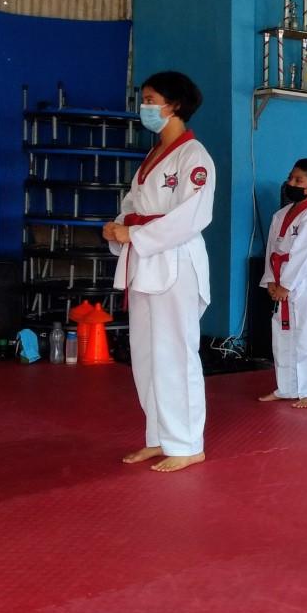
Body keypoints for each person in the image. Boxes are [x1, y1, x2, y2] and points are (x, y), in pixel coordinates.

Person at [104, 71, 214, 473]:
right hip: (146, 261)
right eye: (144, 98)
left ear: (175, 105)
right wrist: (120, 229)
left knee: (175, 354)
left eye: (151, 99)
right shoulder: (153, 157)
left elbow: (193, 216)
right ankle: (160, 437)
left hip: (175, 261)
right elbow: (133, 201)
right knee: (147, 355)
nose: (144, 106)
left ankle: (187, 443)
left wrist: (132, 233)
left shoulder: (194, 156)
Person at [259, 158, 307, 409]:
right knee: (282, 334)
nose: (291, 183)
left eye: (298, 180)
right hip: (281, 278)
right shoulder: (280, 215)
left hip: (305, 282)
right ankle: (287, 388)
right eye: (290, 177)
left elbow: (305, 253)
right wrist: (270, 279)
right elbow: (271, 249)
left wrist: (286, 285)